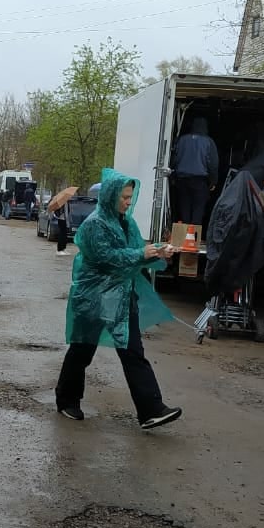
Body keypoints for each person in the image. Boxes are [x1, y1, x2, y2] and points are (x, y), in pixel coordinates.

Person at [55, 168, 182, 430]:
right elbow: (109, 258)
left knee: (133, 352)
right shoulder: (94, 225)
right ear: (111, 196)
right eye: (124, 197)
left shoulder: (126, 221)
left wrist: (159, 251)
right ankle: (67, 399)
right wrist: (142, 254)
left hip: (122, 297)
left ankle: (151, 409)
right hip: (94, 298)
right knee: (82, 349)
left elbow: (135, 250)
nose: (128, 201)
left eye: (130, 197)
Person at [171, 116, 219, 226]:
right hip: (200, 181)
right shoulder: (208, 142)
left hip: (182, 180)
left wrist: (172, 177)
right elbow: (213, 164)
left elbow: (174, 160)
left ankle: (184, 235)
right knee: (198, 209)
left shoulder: (181, 140)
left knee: (184, 208)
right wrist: (213, 181)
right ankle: (194, 236)